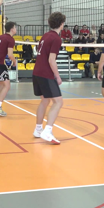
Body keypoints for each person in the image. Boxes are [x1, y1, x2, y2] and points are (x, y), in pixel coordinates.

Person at [31, 12, 65, 144]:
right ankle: (47, 131)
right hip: (46, 73)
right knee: (58, 102)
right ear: (61, 24)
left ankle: (38, 129)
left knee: (45, 101)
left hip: (37, 72)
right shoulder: (56, 38)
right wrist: (57, 76)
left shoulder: (45, 35)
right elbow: (51, 60)